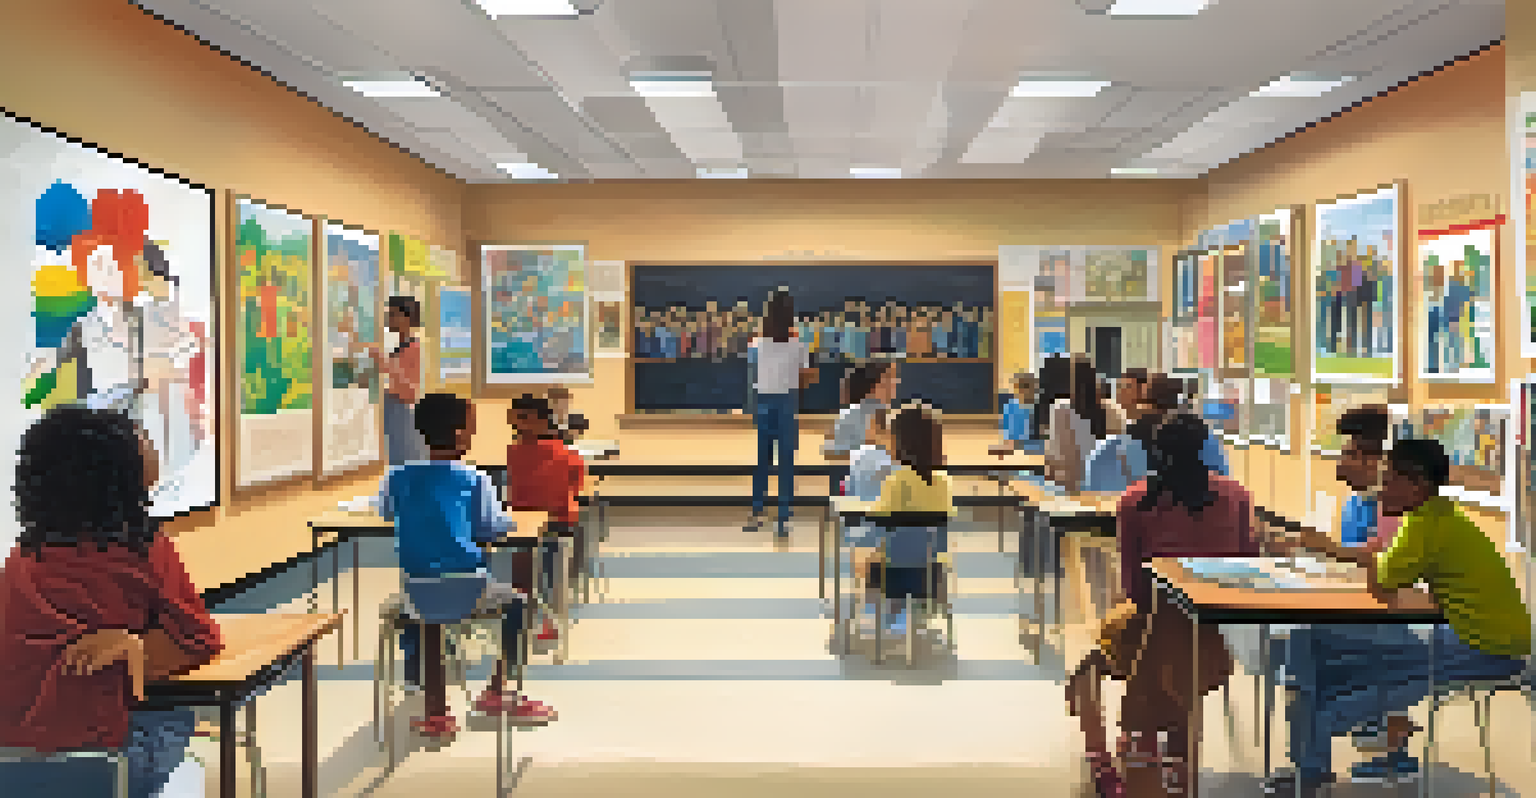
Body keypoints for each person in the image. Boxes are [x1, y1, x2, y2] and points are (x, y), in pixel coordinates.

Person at [1263, 439, 1532, 796]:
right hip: (1480, 637)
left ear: (1417, 483)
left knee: (1316, 652)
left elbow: (1381, 586)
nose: (1380, 488)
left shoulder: (1422, 526)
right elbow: (1400, 584)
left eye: (1388, 479)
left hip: (1486, 647)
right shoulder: (1438, 517)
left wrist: (1363, 557)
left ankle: (1311, 765)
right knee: (1316, 652)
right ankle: (1311, 762)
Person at [0, 406, 224, 798]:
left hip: (12, 767)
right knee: (178, 714)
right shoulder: (141, 550)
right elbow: (200, 639)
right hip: (102, 764)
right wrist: (132, 646)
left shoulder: (20, 559)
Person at [1065, 413, 1261, 797]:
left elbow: (1134, 588)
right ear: (1205, 449)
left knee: (1084, 673)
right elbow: (1247, 568)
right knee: (1175, 672)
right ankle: (1173, 761)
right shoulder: (1238, 497)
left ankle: (1104, 764)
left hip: (1150, 634)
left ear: (1153, 451)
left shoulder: (1134, 501)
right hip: (1213, 643)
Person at [377, 393, 556, 736]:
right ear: (460, 435)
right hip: (471, 589)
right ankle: (500, 689)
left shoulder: (397, 478)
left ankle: (436, 711)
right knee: (519, 604)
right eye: (472, 428)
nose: (472, 436)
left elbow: (386, 512)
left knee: (429, 619)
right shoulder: (474, 479)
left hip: (416, 593)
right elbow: (493, 526)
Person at [505, 394, 588, 646]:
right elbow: (578, 485)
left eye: (524, 418)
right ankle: (543, 618)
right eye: (516, 417)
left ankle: (527, 617)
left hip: (540, 526)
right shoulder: (565, 453)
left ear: (542, 421)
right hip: (548, 524)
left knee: (529, 568)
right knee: (547, 570)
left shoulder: (518, 452)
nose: (519, 424)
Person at [866, 403, 954, 637]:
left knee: (869, 554)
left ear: (901, 442)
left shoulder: (896, 481)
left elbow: (877, 518)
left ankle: (885, 616)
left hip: (892, 573)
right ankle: (923, 610)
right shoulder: (944, 482)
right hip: (932, 573)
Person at [747, 289, 816, 536]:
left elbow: (752, 377)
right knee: (786, 462)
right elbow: (805, 377)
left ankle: (757, 512)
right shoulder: (799, 345)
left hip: (763, 402)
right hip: (787, 403)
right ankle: (784, 516)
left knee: (762, 461)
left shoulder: (756, 343)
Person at [824, 361, 900, 494]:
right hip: (855, 487)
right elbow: (831, 453)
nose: (895, 383)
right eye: (889, 378)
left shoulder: (889, 416)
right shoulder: (851, 415)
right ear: (874, 386)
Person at [371, 296, 428, 466]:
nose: (390, 319)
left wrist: (387, 364)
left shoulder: (415, 348)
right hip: (393, 406)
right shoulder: (400, 347)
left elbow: (412, 391)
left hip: (404, 410)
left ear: (407, 318)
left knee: (407, 459)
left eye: (394, 314)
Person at [1046, 356, 1110, 493]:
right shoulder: (1105, 409)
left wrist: (1050, 472)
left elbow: (1057, 448)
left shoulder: (1060, 408)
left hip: (1068, 483)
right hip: (1098, 482)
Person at [996, 372, 1044, 456]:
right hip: (1018, 451)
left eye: (1027, 386)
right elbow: (1008, 436)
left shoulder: (1041, 408)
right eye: (1021, 387)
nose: (1024, 391)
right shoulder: (1010, 408)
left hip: (1036, 450)